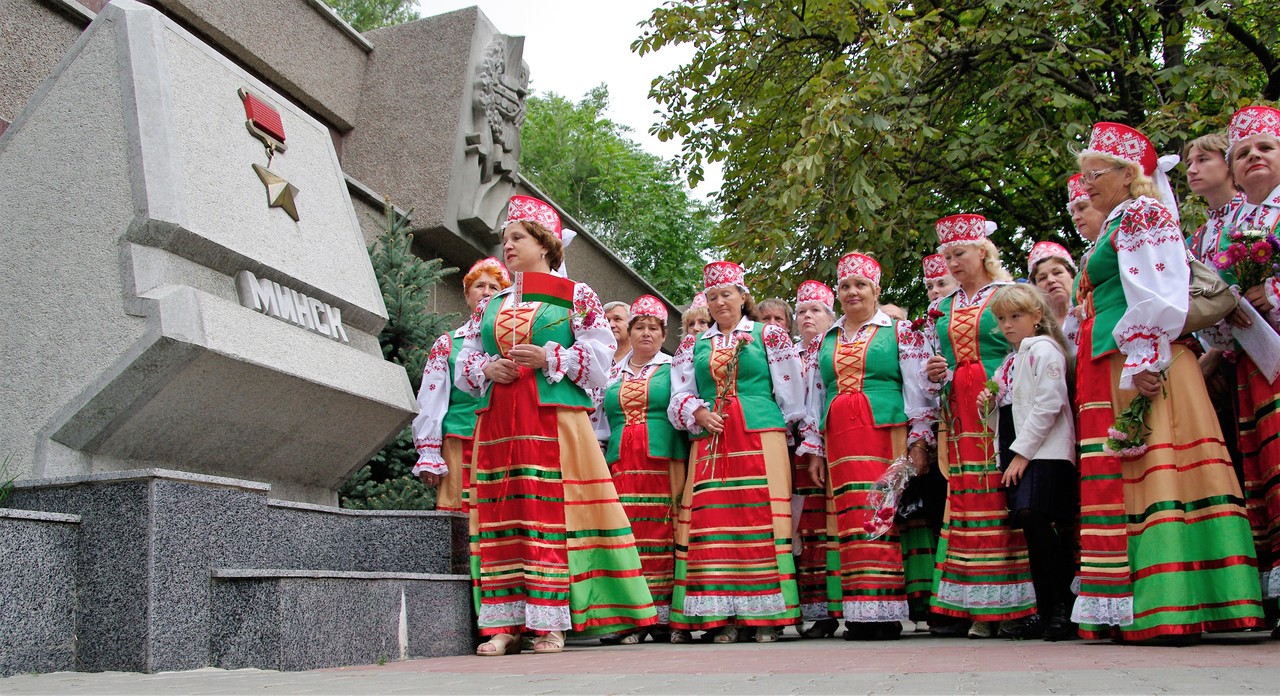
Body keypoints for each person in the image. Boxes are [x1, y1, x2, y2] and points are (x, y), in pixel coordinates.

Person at [1072, 122, 1262, 643]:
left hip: (1142, 363)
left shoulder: (1143, 213)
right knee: (1130, 477)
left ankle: (1171, 606)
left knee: (1157, 470)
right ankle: (1133, 602)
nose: (1084, 183)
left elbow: (1159, 290)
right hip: (1117, 359)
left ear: (1127, 174)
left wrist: (1146, 357)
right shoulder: (1118, 221)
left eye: (1094, 174)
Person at [457, 195, 657, 655]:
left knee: (552, 512)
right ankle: (505, 623)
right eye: (505, 238)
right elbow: (464, 359)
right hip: (501, 422)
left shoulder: (577, 295)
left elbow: (603, 359)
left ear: (545, 245)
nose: (507, 246)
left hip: (552, 419)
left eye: (517, 238)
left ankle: (551, 623)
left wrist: (550, 356)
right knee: (503, 512)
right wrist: (486, 369)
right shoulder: (491, 304)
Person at [798, 252, 935, 640]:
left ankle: (886, 610)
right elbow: (816, 394)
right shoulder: (826, 339)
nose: (852, 292)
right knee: (848, 519)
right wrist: (815, 448)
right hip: (839, 435)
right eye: (845, 286)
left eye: (860, 285)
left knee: (882, 512)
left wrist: (919, 439)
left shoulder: (900, 331)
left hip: (884, 430)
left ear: (876, 290)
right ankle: (859, 609)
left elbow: (916, 386)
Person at [668, 261, 806, 643]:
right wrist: (696, 411)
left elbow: (792, 393)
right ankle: (720, 618)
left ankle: (765, 617)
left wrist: (795, 433)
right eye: (712, 296)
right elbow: (678, 394)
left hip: (760, 434)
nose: (719, 302)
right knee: (713, 523)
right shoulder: (692, 344)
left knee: (759, 517)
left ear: (743, 297)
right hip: (711, 438)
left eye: (726, 294)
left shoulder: (768, 336)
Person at [923, 213, 1037, 639]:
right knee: (969, 495)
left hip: (1000, 397)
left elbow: (1024, 345)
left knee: (999, 491)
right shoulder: (943, 308)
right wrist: (936, 371)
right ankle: (976, 604)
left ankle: (1014, 604)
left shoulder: (1006, 295)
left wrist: (1001, 382)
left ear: (983, 252)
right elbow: (936, 362)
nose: (952, 263)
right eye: (947, 256)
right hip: (960, 407)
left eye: (959, 253)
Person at [983, 284, 1078, 641]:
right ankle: (1045, 608)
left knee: (1035, 517)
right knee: (1030, 527)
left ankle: (1061, 607)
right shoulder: (1012, 359)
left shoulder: (1045, 350)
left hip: (1045, 451)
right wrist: (988, 405)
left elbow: (1049, 404)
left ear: (1037, 317)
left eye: (1016, 316)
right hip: (1019, 448)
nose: (1008, 325)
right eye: (1002, 319)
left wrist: (1022, 454)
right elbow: (1008, 411)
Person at [596, 296, 690, 644]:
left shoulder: (676, 367)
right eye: (640, 327)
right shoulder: (610, 373)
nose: (646, 333)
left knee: (664, 531)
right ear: (630, 332)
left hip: (664, 460)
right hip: (621, 462)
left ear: (664, 333)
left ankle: (665, 617)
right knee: (626, 535)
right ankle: (631, 617)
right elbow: (599, 423)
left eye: (653, 328)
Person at [1225, 106, 1280, 616]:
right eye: (1243, 153)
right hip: (1254, 362)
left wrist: (1274, 291)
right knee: (1263, 470)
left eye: (1265, 148)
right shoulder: (1237, 223)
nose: (1254, 157)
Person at [411, 257, 510, 513]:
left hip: (503, 443)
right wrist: (429, 453)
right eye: (479, 286)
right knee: (460, 519)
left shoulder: (511, 342)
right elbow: (430, 400)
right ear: (467, 296)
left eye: (494, 287)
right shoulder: (448, 343)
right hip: (460, 441)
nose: (487, 292)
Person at [1182, 132, 1247, 509]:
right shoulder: (1197, 239)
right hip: (1218, 365)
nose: (1193, 169)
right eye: (1190, 162)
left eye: (1204, 159)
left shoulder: (1253, 217)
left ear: (1229, 163)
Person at [790, 280, 839, 638]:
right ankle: (814, 610)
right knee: (804, 530)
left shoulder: (834, 348)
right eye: (802, 312)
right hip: (795, 452)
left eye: (815, 310)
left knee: (828, 527)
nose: (807, 316)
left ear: (830, 316)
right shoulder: (789, 353)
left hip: (831, 445)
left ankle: (839, 606)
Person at [1026, 241, 1080, 353]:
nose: (1051, 280)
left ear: (1072, 276)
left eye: (1057, 273)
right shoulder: (1034, 326)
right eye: (1042, 278)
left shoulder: (1090, 309)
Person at [605, 301, 632, 365]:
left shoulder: (640, 356)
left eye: (617, 319)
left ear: (631, 323)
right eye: (607, 320)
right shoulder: (597, 355)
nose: (611, 325)